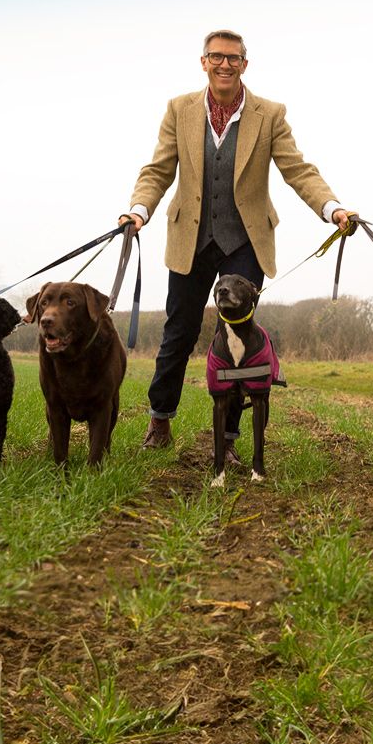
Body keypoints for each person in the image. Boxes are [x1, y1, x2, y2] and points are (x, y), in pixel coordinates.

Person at [120, 29, 353, 452]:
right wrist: (139, 211)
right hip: (189, 238)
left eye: (233, 58)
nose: (224, 64)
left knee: (238, 339)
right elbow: (157, 170)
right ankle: (160, 421)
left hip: (245, 240)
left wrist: (332, 208)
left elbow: (297, 169)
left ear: (245, 64)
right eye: (216, 57)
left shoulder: (270, 113)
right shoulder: (179, 109)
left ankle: (227, 437)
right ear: (204, 61)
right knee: (180, 331)